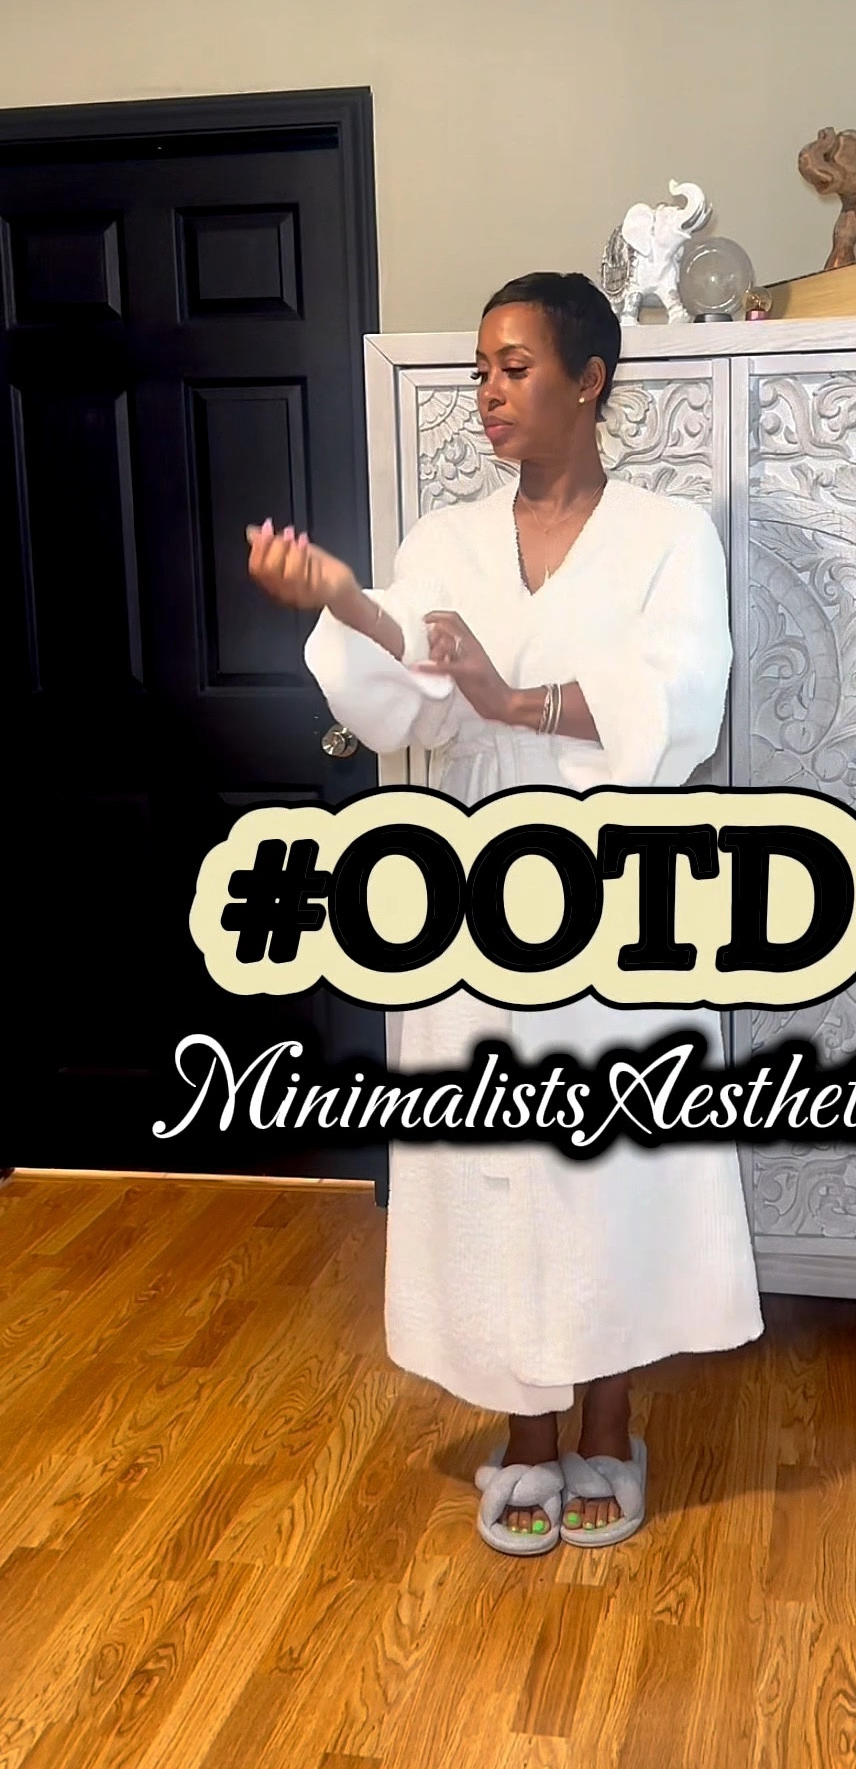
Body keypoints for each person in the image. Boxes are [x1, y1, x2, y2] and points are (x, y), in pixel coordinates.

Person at [246, 271, 763, 1555]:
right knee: (495, 1167)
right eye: (481, 369)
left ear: (589, 382)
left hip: (615, 885)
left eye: (516, 368)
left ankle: (608, 1424)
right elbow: (417, 685)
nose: (489, 392)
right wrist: (341, 599)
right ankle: (527, 1434)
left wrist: (514, 699)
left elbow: (681, 703)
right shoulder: (450, 539)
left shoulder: (668, 535)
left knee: (607, 1165)